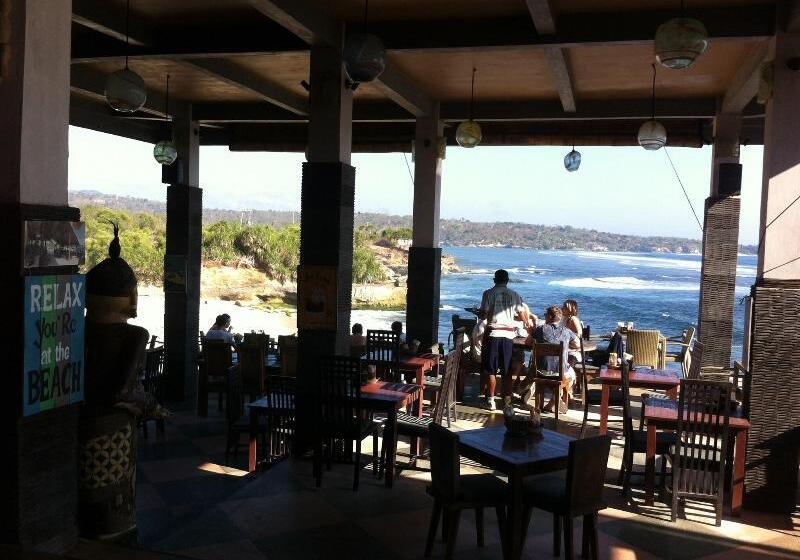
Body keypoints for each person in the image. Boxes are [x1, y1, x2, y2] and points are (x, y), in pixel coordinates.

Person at [479, 269, 530, 410]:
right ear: (507, 280)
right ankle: (506, 400)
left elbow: (483, 314)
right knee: (506, 369)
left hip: (493, 334)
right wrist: (513, 318)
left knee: (491, 369)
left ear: (494, 280)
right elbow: (522, 316)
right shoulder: (515, 295)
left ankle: (490, 400)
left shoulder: (488, 293)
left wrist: (481, 313)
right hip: (508, 336)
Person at [527, 305, 579, 413]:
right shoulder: (566, 331)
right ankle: (554, 400)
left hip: (540, 372)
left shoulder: (540, 329)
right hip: (559, 374)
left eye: (545, 315)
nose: (544, 317)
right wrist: (566, 345)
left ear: (550, 317)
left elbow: (528, 342)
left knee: (534, 368)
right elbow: (577, 344)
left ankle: (528, 389)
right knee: (572, 376)